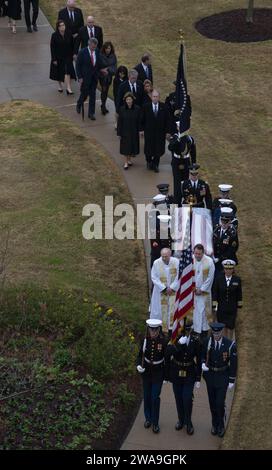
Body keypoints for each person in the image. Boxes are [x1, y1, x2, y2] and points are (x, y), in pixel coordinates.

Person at [165, 321, 201, 435]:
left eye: (188, 330)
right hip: (176, 373)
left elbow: (199, 360)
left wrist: (198, 378)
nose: (186, 332)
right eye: (185, 330)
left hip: (189, 373)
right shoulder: (175, 339)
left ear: (191, 330)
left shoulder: (195, 341)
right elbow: (167, 353)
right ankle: (181, 420)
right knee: (178, 399)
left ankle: (188, 422)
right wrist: (178, 345)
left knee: (187, 399)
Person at [202, 322, 237, 437]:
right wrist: (203, 364)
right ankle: (214, 424)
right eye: (214, 333)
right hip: (210, 376)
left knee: (219, 403)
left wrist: (232, 380)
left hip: (223, 376)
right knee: (212, 403)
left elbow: (233, 364)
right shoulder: (207, 342)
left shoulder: (230, 344)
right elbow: (203, 355)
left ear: (222, 332)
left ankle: (221, 425)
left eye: (218, 333)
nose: (216, 335)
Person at [136, 318, 167, 434]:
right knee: (147, 396)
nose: (153, 333)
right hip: (147, 372)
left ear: (158, 330)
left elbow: (166, 359)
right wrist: (139, 365)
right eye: (151, 330)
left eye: (155, 331)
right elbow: (140, 355)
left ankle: (155, 422)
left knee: (155, 398)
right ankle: (148, 418)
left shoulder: (164, 341)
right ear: (148, 329)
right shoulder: (144, 340)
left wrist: (166, 377)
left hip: (158, 373)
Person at [150, 248, 179, 335]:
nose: (164, 258)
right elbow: (154, 277)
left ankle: (171, 330)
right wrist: (164, 288)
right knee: (159, 311)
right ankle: (160, 331)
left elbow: (179, 276)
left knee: (172, 310)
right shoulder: (156, 263)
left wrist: (172, 287)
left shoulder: (176, 262)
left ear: (170, 255)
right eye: (162, 256)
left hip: (172, 292)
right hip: (160, 292)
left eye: (166, 256)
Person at [141, 90, 171, 172]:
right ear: (151, 97)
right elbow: (142, 120)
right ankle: (149, 161)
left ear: (159, 97)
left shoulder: (164, 107)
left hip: (160, 133)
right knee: (148, 149)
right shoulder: (146, 107)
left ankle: (155, 165)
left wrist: (168, 131)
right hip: (149, 132)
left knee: (158, 149)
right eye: (153, 96)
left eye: (156, 97)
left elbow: (168, 120)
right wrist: (141, 130)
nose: (155, 98)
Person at [213, 260, 242, 339]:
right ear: (224, 269)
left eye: (230, 269)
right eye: (226, 269)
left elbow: (239, 293)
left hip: (232, 308)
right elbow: (215, 292)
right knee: (223, 326)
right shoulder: (219, 279)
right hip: (221, 308)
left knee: (231, 327)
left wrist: (239, 304)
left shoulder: (237, 280)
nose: (228, 271)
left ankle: (230, 343)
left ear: (233, 269)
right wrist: (214, 305)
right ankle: (225, 343)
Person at [168, 121, 196, 204]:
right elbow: (170, 147)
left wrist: (193, 163)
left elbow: (193, 151)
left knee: (186, 182)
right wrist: (178, 140)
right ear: (177, 128)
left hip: (186, 161)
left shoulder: (190, 138)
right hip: (177, 161)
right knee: (177, 183)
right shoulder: (175, 137)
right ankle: (177, 202)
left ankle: (186, 200)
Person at [76, 37, 102, 120]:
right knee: (84, 94)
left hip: (94, 78)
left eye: (95, 47)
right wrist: (79, 77)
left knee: (93, 95)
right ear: (89, 44)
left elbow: (98, 63)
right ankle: (79, 103)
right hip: (85, 78)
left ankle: (91, 113)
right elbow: (78, 65)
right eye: (93, 47)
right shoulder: (82, 52)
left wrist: (99, 72)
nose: (94, 48)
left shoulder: (97, 51)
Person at [192, 244, 215, 338]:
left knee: (204, 313)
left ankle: (204, 334)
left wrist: (201, 289)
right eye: (196, 253)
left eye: (199, 254)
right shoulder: (191, 260)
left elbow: (210, 278)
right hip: (193, 293)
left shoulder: (209, 262)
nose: (197, 255)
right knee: (195, 313)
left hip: (204, 293)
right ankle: (194, 332)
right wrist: (193, 289)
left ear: (203, 253)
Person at [49, 20, 76, 94]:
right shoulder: (54, 35)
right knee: (59, 72)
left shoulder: (69, 34)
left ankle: (68, 88)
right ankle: (60, 85)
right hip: (58, 56)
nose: (62, 27)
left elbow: (72, 45)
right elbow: (52, 47)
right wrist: (54, 59)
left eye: (63, 25)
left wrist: (73, 54)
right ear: (58, 27)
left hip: (67, 56)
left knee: (67, 71)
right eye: (60, 25)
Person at [117, 92, 141, 169]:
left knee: (131, 147)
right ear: (125, 100)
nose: (128, 101)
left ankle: (129, 160)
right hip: (125, 131)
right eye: (127, 99)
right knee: (126, 148)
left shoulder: (137, 109)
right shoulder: (122, 109)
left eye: (130, 99)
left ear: (132, 100)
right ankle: (126, 162)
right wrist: (119, 133)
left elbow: (139, 121)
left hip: (134, 131)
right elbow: (120, 122)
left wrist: (140, 130)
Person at [213, 208, 239, 273]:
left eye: (226, 222)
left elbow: (232, 249)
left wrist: (220, 258)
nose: (224, 224)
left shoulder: (232, 233)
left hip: (227, 259)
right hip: (216, 257)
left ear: (230, 221)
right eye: (222, 221)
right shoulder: (216, 229)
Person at [99, 41, 117, 115]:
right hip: (102, 77)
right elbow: (99, 66)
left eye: (109, 48)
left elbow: (114, 67)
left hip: (109, 76)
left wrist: (107, 69)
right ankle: (103, 105)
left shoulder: (113, 56)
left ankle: (103, 104)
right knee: (104, 90)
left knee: (106, 91)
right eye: (106, 48)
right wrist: (103, 70)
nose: (107, 50)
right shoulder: (100, 55)